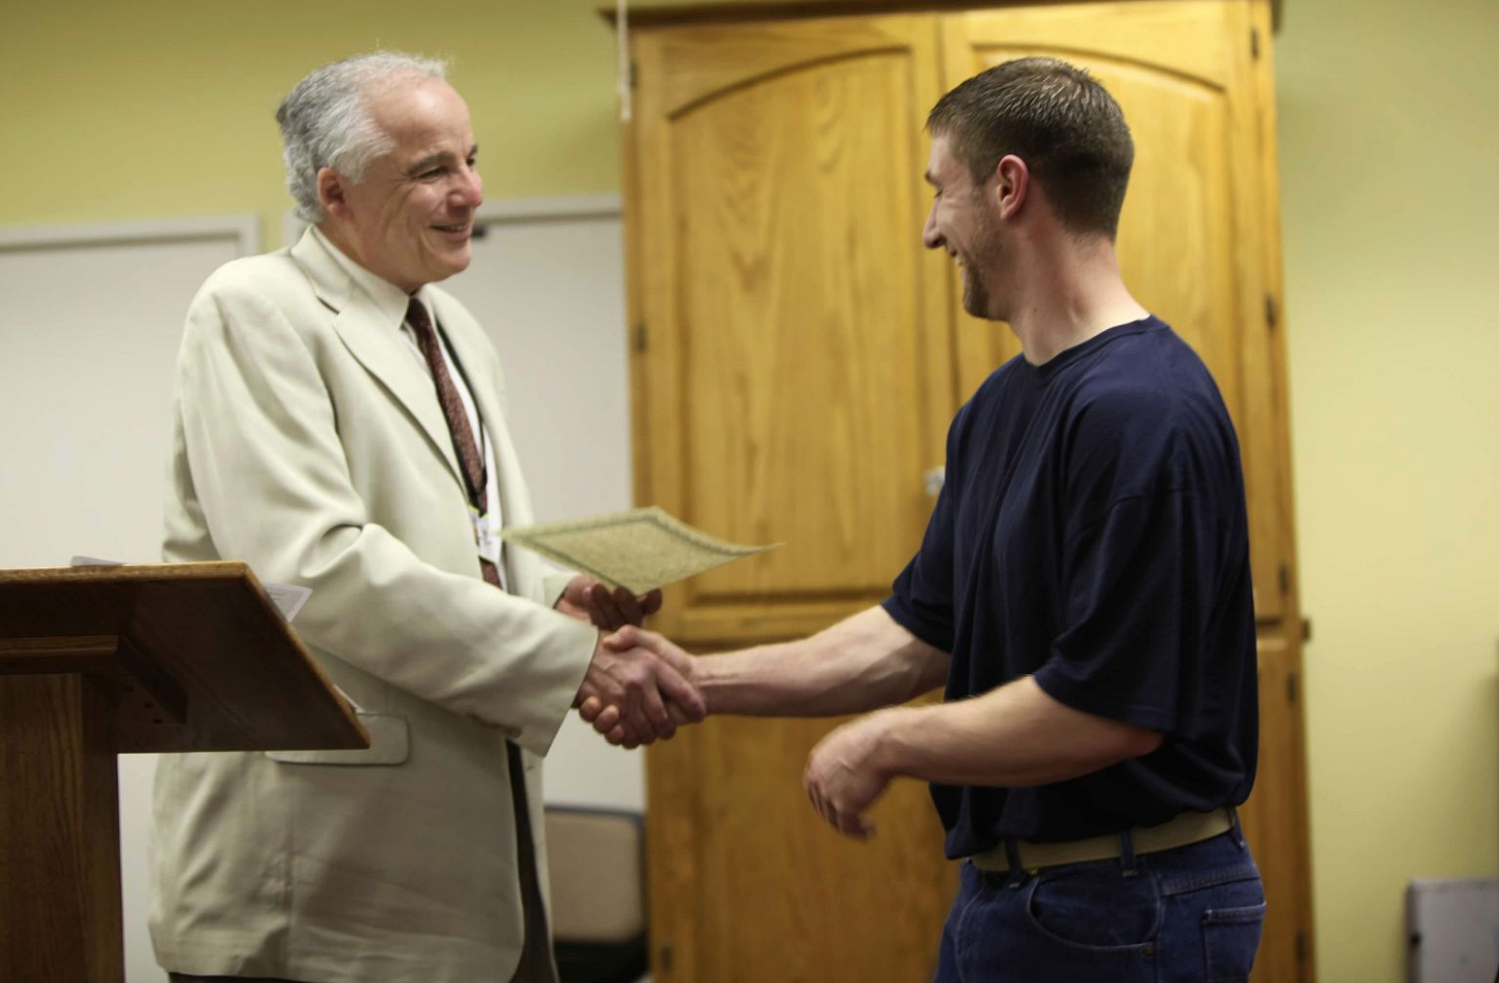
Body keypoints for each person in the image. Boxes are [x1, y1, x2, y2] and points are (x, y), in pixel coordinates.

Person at [589, 57, 1265, 981]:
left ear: (1008, 185)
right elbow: (918, 632)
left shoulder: (1142, 409)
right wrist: (697, 678)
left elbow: (1112, 710)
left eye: (938, 191)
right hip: (1014, 904)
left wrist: (887, 738)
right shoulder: (998, 408)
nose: (927, 230)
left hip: (1128, 907)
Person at [151, 51, 702, 983]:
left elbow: (466, 545)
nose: (472, 192)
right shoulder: (255, 308)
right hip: (320, 867)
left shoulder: (454, 331)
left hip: (476, 848)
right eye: (432, 170)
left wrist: (556, 591)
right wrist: (570, 662)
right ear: (335, 191)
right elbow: (313, 567)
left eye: (472, 159)